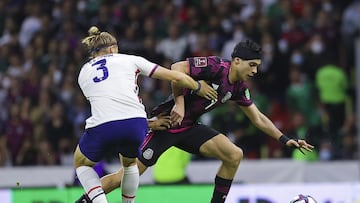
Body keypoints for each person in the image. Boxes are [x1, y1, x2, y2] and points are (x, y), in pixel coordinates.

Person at [75, 39, 314, 203]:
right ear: (237, 61)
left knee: (234, 155)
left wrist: (285, 139)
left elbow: (258, 117)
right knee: (124, 176)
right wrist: (179, 102)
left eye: (257, 67)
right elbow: (178, 67)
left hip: (188, 128)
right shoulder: (216, 67)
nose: (255, 71)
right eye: (252, 65)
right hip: (167, 124)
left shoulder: (239, 88)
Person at [74, 26, 217, 203]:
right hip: (136, 124)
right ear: (112, 49)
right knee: (129, 165)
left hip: (103, 125)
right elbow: (176, 77)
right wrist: (198, 87)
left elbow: (110, 106)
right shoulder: (129, 60)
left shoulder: (83, 72)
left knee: (81, 164)